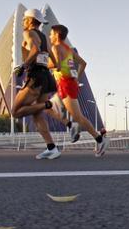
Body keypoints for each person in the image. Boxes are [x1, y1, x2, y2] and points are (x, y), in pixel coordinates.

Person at [45, 24, 108, 156]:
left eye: (51, 34)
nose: (50, 36)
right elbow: (83, 64)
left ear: (57, 35)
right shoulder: (69, 49)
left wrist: (43, 63)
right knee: (48, 108)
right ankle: (70, 125)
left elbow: (56, 65)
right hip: (67, 83)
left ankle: (100, 139)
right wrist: (77, 78)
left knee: (78, 117)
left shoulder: (56, 47)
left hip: (66, 84)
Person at [11, 8, 61, 159]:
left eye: (24, 19)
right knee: (37, 115)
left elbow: (35, 49)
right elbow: (56, 63)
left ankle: (48, 105)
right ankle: (52, 148)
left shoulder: (29, 33)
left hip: (35, 78)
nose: (22, 22)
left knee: (15, 111)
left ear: (30, 20)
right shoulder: (44, 37)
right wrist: (42, 66)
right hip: (46, 77)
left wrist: (24, 66)